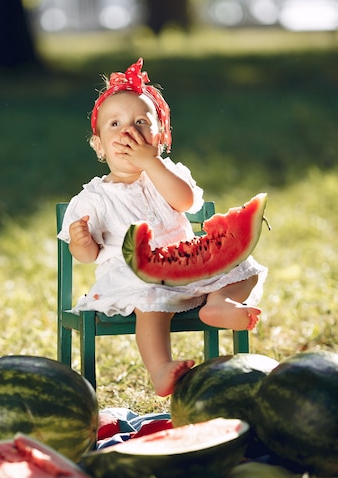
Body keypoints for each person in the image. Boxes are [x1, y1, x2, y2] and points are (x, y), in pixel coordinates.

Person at [58, 58, 267, 397]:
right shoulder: (93, 198)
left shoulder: (166, 173)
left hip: (189, 268)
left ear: (160, 137)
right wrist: (80, 242)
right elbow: (86, 255)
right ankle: (160, 369)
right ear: (98, 146)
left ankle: (219, 303)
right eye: (115, 124)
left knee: (244, 267)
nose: (128, 132)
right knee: (151, 301)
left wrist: (150, 164)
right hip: (133, 277)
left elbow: (185, 201)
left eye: (141, 122)